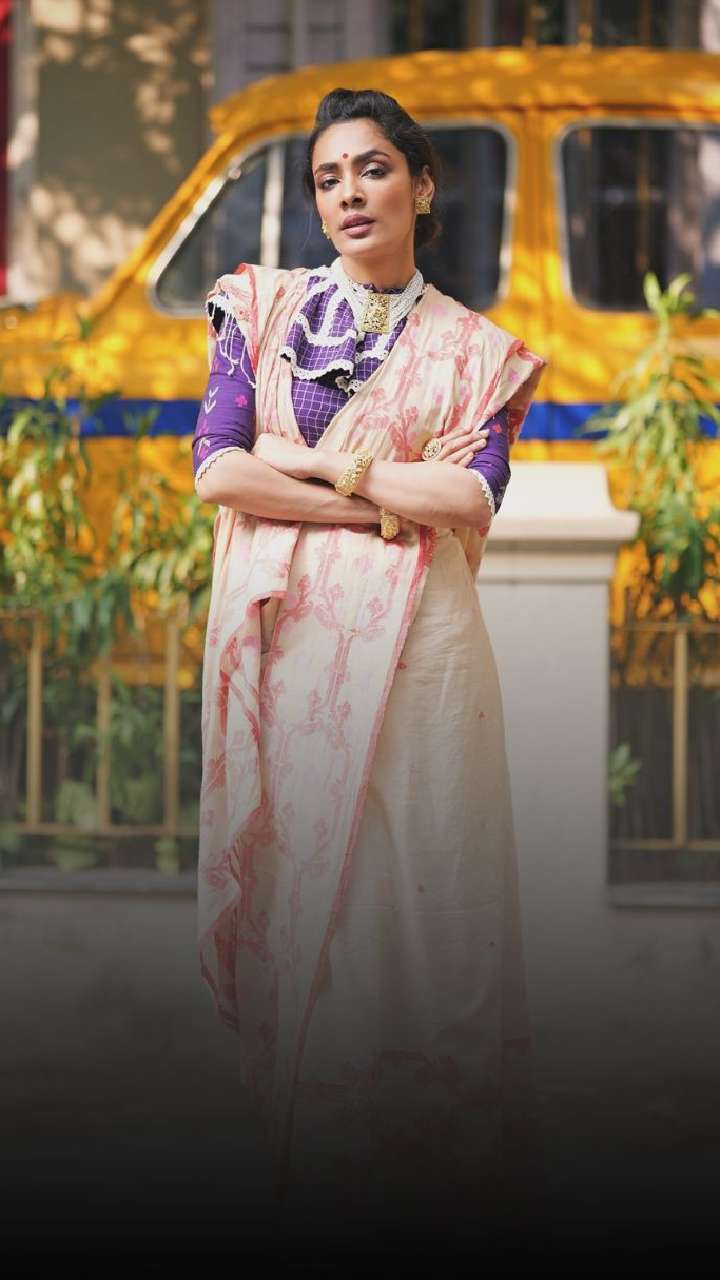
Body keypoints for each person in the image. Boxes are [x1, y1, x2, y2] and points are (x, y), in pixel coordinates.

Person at [192, 87, 547, 1253]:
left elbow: (472, 495)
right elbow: (220, 470)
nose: (349, 193)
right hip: (292, 652)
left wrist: (322, 469)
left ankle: (441, 1186)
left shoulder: (476, 351)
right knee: (313, 901)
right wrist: (383, 504)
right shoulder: (258, 309)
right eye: (328, 177)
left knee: (430, 907)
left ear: (422, 185)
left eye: (374, 169)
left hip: (427, 662)